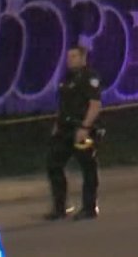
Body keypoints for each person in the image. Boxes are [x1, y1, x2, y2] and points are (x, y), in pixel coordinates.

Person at [46, 46, 102, 221]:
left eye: (74, 56)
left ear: (83, 57)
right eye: (68, 56)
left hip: (82, 130)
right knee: (53, 164)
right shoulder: (66, 78)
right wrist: (57, 124)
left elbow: (95, 105)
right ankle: (60, 207)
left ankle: (89, 207)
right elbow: (63, 105)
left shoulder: (90, 77)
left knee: (87, 167)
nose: (69, 59)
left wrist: (85, 127)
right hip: (65, 129)